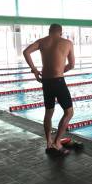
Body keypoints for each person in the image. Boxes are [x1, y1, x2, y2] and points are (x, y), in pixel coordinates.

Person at [23, 23, 75, 156]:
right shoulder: (67, 43)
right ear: (61, 32)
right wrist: (60, 70)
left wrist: (34, 70)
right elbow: (71, 65)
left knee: (49, 112)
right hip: (58, 81)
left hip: (46, 82)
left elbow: (26, 52)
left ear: (49, 31)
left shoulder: (42, 41)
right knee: (69, 112)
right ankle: (57, 142)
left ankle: (48, 143)